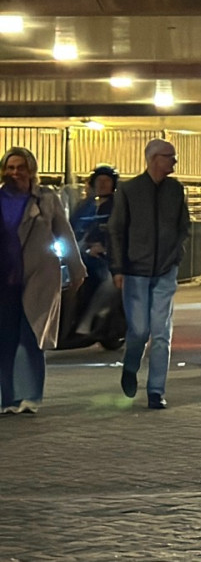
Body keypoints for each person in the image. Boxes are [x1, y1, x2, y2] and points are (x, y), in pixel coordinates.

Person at [0, 147, 86, 414]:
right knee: (5, 339)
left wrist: (76, 267)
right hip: (4, 278)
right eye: (10, 167)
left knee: (31, 335)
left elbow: (64, 231)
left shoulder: (46, 199)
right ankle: (8, 398)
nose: (15, 172)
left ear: (31, 170)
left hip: (39, 276)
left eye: (20, 167)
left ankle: (31, 396)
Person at [108, 139, 190, 410]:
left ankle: (156, 390)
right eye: (170, 157)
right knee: (139, 330)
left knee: (161, 332)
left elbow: (183, 226)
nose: (174, 163)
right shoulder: (129, 190)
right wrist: (118, 268)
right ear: (155, 158)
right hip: (135, 272)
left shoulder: (176, 190)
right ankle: (130, 366)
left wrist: (175, 255)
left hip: (166, 270)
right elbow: (116, 230)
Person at [69, 164, 118, 331]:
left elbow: (121, 231)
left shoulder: (118, 207)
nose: (102, 184)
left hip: (105, 257)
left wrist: (105, 246)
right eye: (99, 180)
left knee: (107, 281)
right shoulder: (84, 206)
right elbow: (68, 226)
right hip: (79, 253)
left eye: (106, 181)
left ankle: (88, 320)